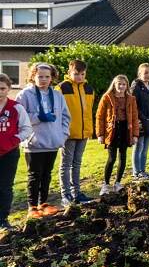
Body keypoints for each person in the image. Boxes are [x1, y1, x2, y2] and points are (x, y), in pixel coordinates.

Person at [16, 62, 71, 218]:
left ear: (52, 78)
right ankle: (32, 206)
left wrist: (62, 135)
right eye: (40, 76)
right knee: (34, 175)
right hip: (34, 143)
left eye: (47, 77)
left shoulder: (58, 95)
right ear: (33, 76)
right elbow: (19, 117)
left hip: (53, 142)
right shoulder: (25, 95)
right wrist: (38, 117)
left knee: (47, 174)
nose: (44, 80)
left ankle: (43, 203)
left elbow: (66, 117)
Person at [55, 59, 95, 205]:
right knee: (66, 164)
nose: (80, 77)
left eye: (82, 74)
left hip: (83, 133)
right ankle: (65, 195)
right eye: (76, 74)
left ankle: (76, 193)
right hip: (68, 133)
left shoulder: (89, 89)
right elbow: (57, 112)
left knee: (77, 163)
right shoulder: (61, 88)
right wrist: (61, 131)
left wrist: (89, 129)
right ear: (69, 72)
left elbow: (89, 111)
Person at [0, 73, 33, 232]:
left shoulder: (16, 108)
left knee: (5, 187)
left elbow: (27, 129)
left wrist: (14, 140)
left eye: (2, 88)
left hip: (9, 153)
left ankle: (3, 219)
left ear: (8, 89)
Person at [96, 75, 139, 195]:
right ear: (114, 85)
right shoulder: (107, 97)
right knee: (112, 158)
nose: (121, 86)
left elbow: (135, 118)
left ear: (127, 86)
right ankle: (106, 184)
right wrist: (100, 134)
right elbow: (99, 117)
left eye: (124, 84)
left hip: (126, 129)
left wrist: (135, 135)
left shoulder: (131, 99)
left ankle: (118, 183)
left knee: (123, 157)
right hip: (112, 131)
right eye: (119, 84)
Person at [131, 63, 149, 180]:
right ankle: (136, 172)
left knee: (145, 149)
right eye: (145, 72)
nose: (148, 75)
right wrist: (142, 118)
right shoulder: (135, 87)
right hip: (140, 122)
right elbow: (133, 106)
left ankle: (142, 170)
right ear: (139, 73)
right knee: (139, 147)